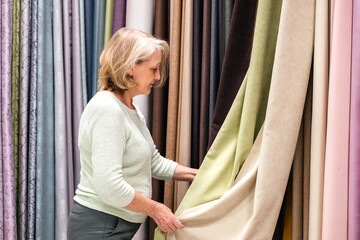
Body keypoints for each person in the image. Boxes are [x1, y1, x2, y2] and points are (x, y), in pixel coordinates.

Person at [67, 28, 198, 239]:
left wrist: (198, 175)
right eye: (153, 69)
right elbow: (109, 186)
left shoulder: (129, 109)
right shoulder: (107, 109)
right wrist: (156, 209)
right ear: (130, 68)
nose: (157, 77)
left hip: (114, 223)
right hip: (99, 225)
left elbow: (153, 163)